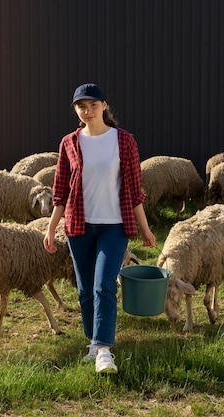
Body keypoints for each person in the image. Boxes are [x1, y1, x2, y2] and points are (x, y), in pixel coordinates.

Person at [43, 83, 156, 374]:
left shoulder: (124, 141)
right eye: (82, 106)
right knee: (84, 291)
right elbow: (60, 193)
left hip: (115, 226)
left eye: (93, 104)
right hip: (79, 226)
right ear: (76, 111)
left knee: (103, 284)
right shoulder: (69, 142)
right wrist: (51, 228)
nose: (87, 110)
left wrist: (145, 228)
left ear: (104, 106)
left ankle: (105, 351)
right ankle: (93, 342)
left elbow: (133, 189)